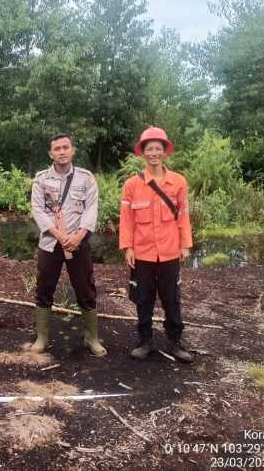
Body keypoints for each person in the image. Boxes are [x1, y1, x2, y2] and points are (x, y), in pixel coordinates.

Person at [119, 126, 193, 362]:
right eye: (149, 149)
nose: (153, 153)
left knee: (171, 297)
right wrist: (128, 247)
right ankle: (145, 341)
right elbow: (127, 220)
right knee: (143, 297)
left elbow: (183, 216)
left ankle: (175, 341)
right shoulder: (132, 185)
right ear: (142, 153)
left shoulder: (178, 182)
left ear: (164, 152)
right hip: (142, 252)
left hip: (170, 251)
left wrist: (185, 245)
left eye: (157, 149)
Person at [30, 133, 106, 356]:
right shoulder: (41, 179)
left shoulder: (86, 178)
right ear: (50, 153)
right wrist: (58, 235)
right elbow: (38, 210)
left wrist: (79, 236)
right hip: (50, 243)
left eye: (65, 147)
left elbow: (91, 208)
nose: (62, 152)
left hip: (78, 242)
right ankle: (42, 337)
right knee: (44, 287)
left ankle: (91, 338)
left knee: (85, 288)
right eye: (57, 149)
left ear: (73, 150)